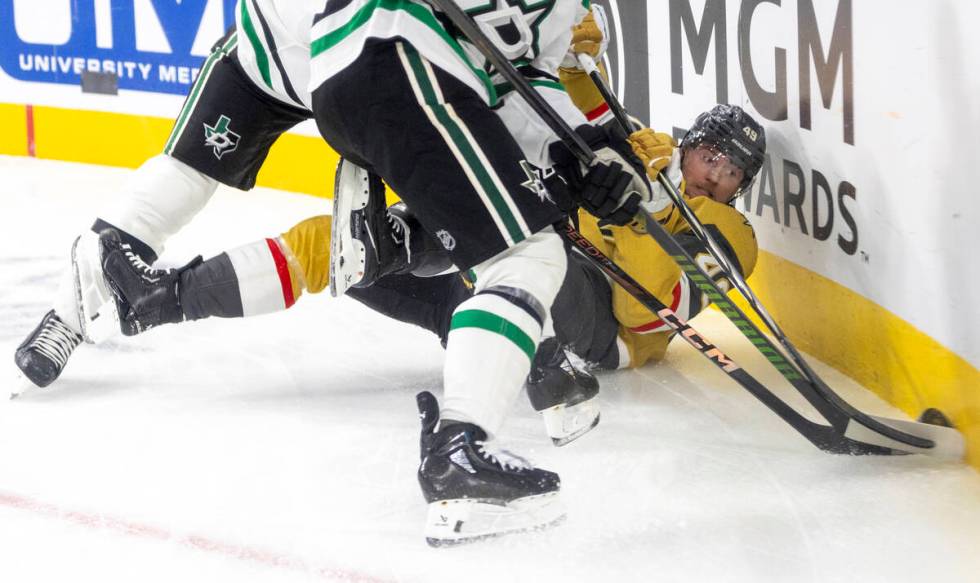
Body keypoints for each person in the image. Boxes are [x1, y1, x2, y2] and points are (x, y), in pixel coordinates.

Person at [15, 1, 655, 546]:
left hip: (325, 50)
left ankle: (97, 276)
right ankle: (475, 402)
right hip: (334, 52)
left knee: (495, 234)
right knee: (508, 245)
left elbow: (525, 78)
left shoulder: (563, 19)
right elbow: (517, 84)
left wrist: (584, 154)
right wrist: (576, 155)